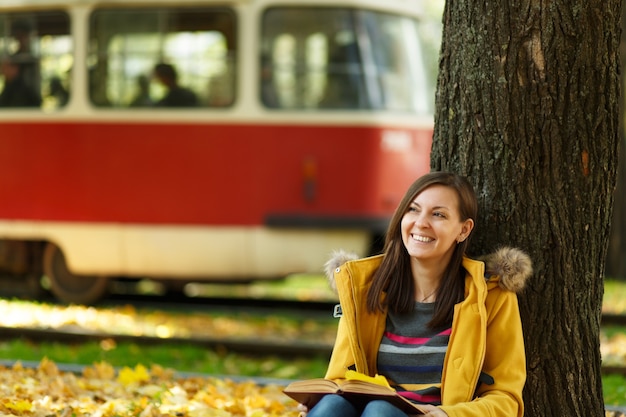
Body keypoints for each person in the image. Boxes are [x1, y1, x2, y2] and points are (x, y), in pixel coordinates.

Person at [302, 172, 532, 417]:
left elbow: (506, 398)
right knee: (332, 405)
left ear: (463, 230)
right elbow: (339, 380)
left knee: (380, 412)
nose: (421, 222)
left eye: (438, 214)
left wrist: (446, 415)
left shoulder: (491, 297)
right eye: (413, 210)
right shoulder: (364, 290)